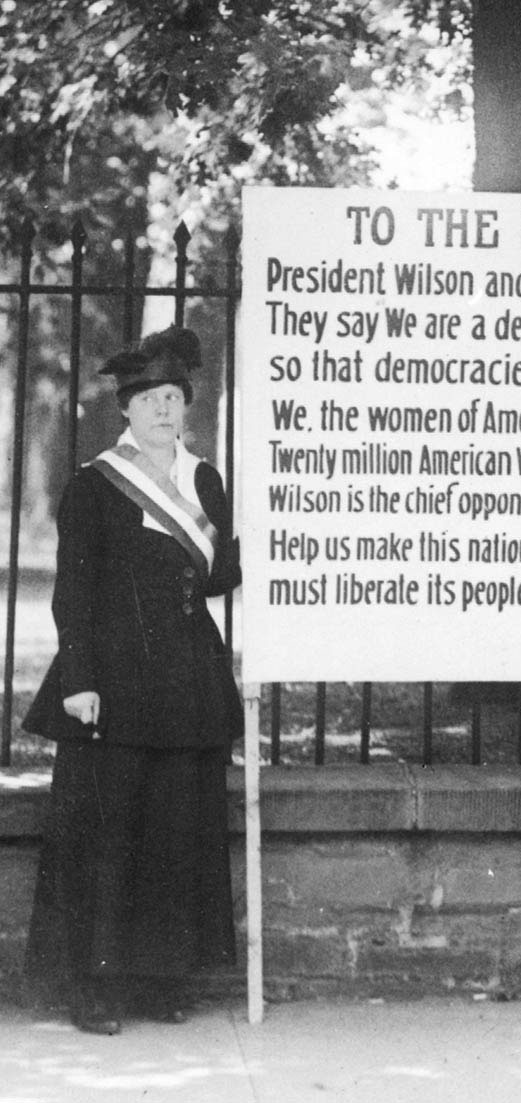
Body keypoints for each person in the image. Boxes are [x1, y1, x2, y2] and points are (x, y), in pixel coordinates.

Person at [23, 325, 242, 1035]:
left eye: (175, 396)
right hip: (112, 684)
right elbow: (72, 590)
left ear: (186, 406)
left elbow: (217, 575)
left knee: (175, 831)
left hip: (186, 682)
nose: (163, 409)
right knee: (107, 834)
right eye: (150, 398)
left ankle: (158, 980)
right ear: (127, 408)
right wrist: (78, 678)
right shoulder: (95, 483)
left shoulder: (204, 479)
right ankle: (94, 986)